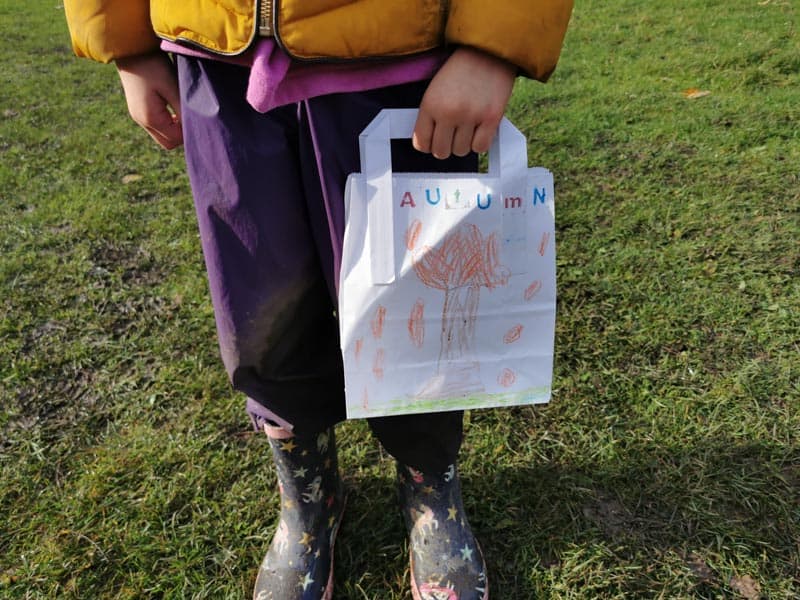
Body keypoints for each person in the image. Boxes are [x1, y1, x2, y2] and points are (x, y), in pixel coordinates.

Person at [63, 2, 573, 599]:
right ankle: (309, 496)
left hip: (398, 59)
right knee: (260, 305)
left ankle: (431, 485)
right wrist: (126, 42)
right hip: (213, 55)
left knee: (416, 310)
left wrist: (493, 46)